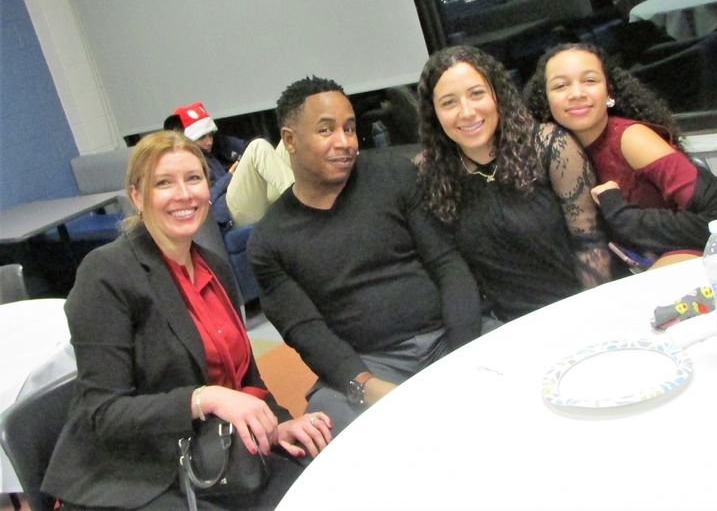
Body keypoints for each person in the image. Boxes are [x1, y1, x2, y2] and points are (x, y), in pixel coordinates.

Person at [42, 130, 332, 510]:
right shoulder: (106, 273)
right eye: (164, 183)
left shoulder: (214, 267)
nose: (183, 194)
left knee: (315, 489)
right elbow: (103, 414)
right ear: (136, 196)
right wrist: (204, 398)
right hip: (135, 473)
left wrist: (276, 424)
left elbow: (246, 379)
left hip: (213, 449)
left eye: (193, 179)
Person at [248, 76, 482, 435]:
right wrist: (368, 386)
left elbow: (447, 263)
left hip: (447, 336)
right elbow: (307, 332)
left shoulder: (395, 175)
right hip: (372, 365)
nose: (344, 142)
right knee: (328, 419)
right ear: (290, 140)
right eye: (326, 130)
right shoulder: (269, 240)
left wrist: (464, 352)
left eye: (350, 128)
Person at [523, 42, 717, 267]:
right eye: (561, 86)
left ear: (609, 92)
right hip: (679, 251)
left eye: (590, 80)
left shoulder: (630, 138)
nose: (576, 93)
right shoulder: (557, 151)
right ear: (544, 100)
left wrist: (622, 215)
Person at [416, 45, 613, 323]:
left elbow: (590, 243)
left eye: (477, 94)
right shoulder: (430, 172)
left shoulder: (549, 146)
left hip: (579, 307)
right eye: (448, 102)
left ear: (497, 95)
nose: (467, 112)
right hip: (504, 327)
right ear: (433, 114)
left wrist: (592, 318)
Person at [169, 102, 295, 228]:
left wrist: (243, 163)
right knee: (258, 146)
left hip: (252, 199)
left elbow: (245, 147)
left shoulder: (218, 144)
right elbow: (204, 200)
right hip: (228, 213)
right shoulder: (186, 164)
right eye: (202, 137)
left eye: (210, 135)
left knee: (288, 141)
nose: (209, 141)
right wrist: (230, 176)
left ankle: (307, 193)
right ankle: (301, 201)